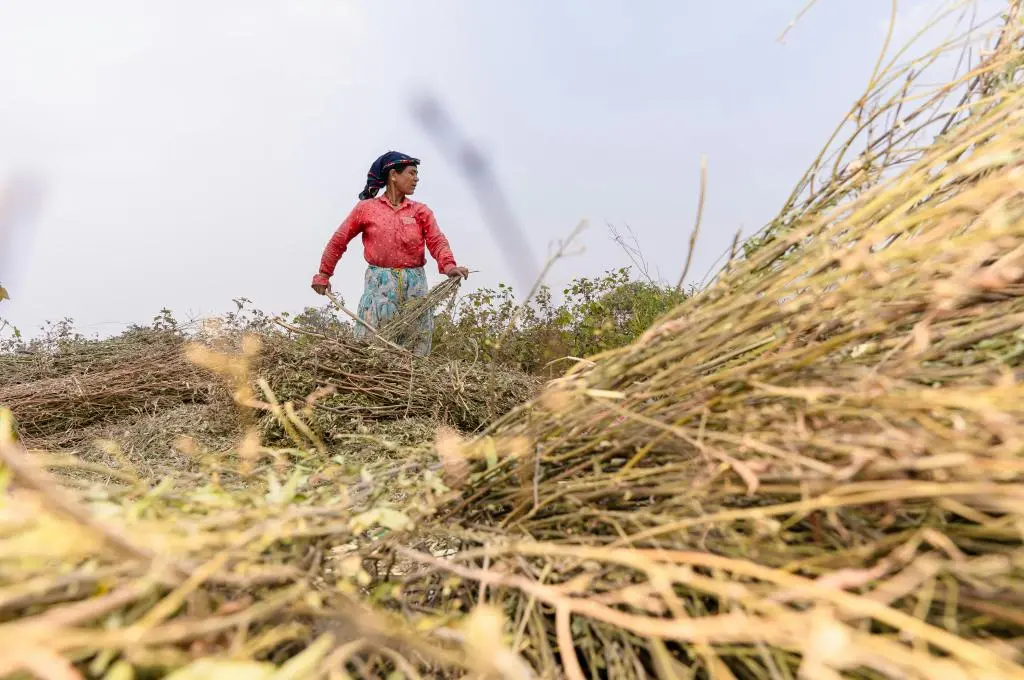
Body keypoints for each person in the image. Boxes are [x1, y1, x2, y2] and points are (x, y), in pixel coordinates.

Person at [311, 151, 469, 356]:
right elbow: (338, 241)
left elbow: (437, 241)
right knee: (373, 349)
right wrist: (323, 275)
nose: (416, 178)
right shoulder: (366, 209)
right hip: (379, 287)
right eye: (412, 173)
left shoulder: (420, 211)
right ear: (393, 175)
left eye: (417, 174)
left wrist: (449, 266)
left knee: (414, 352)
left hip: (415, 289)